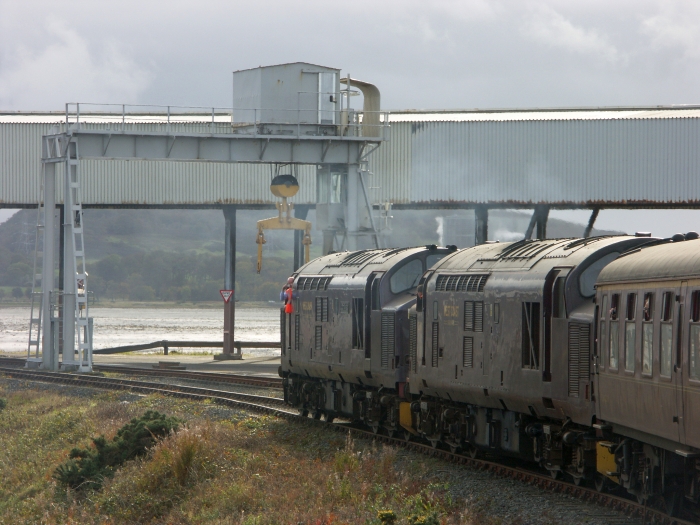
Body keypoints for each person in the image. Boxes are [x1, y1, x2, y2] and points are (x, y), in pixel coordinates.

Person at [282, 277, 294, 351]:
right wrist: (283, 290)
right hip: (288, 308)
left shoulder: (291, 290)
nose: (290, 284)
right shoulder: (287, 290)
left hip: (291, 308)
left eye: (291, 283)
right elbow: (282, 297)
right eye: (289, 283)